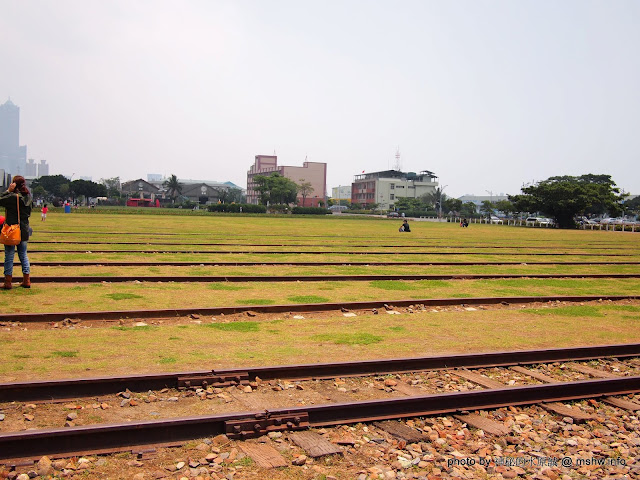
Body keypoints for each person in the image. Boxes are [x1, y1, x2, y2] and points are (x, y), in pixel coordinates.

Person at [0, 176, 32, 289]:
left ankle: (8, 281)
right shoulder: (28, 197)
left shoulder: (13, 197)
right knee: (23, 255)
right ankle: (26, 280)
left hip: (12, 230)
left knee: (9, 255)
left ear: (14, 184)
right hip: (24, 229)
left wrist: (8, 190)